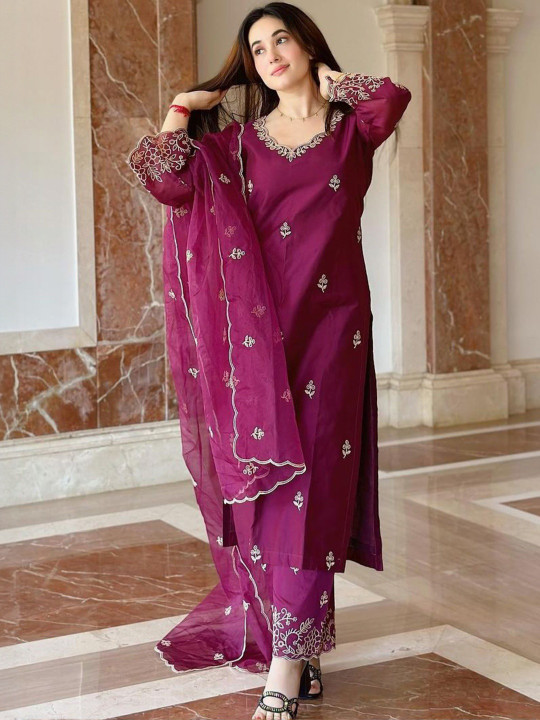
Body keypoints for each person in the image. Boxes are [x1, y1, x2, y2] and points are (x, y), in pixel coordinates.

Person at [127, 2, 411, 718]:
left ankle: (285, 669)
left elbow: (390, 98)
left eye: (282, 39)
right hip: (258, 341)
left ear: (307, 45)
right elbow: (166, 181)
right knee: (278, 497)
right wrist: (181, 108)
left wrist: (333, 82)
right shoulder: (239, 145)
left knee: (317, 487)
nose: (271, 54)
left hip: (334, 333)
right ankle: (299, 651)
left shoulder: (351, 131)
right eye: (257, 48)